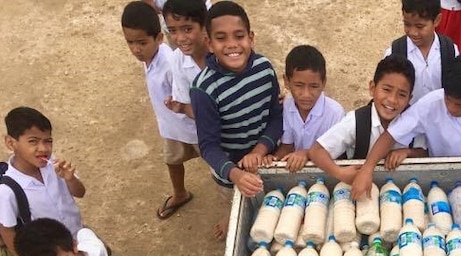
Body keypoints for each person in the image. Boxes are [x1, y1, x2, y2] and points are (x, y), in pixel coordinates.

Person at [350, 52, 461, 199]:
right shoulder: (430, 104)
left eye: (460, 105)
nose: (451, 108)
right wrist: (367, 169)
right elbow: (391, 135)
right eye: (448, 99)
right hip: (438, 188)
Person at [190, 0, 283, 237]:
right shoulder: (204, 89)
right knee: (237, 211)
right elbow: (208, 146)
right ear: (209, 43)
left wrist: (260, 150)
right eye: (221, 38)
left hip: (265, 159)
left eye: (239, 36)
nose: (232, 45)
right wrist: (236, 174)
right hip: (229, 172)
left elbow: (275, 116)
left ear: (251, 38)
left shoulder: (264, 69)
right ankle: (230, 219)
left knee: (272, 211)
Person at [122, 1, 202, 221]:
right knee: (172, 160)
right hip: (170, 127)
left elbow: (192, 93)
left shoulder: (171, 63)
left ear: (158, 38)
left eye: (141, 42)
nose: (136, 49)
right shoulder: (148, 58)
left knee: (218, 167)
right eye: (130, 43)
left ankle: (232, 204)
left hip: (194, 128)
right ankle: (180, 194)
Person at [0, 107, 85, 256]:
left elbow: (80, 193)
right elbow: (6, 229)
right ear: (11, 143)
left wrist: (70, 179)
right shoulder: (7, 191)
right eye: (33, 141)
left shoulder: (54, 165)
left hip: (79, 237)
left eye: (48, 141)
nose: (43, 148)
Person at [309, 56, 426, 182]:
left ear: (409, 98)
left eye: (402, 94)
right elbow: (317, 150)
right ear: (372, 88)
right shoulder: (357, 121)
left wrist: (408, 152)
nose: (392, 100)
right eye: (386, 90)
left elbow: (424, 153)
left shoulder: (414, 121)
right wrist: (340, 173)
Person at [272, 45, 345, 173]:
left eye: (314, 86)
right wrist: (273, 159)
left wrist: (308, 153)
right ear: (286, 82)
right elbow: (287, 146)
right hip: (295, 170)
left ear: (324, 83)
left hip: (325, 172)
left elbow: (337, 154)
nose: (306, 94)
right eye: (299, 85)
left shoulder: (335, 113)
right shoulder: (286, 105)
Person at [384, 0, 459, 103]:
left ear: (437, 20)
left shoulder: (450, 51)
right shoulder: (394, 53)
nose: (413, 32)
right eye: (407, 24)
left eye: (420, 26)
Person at [161, 0, 207, 122]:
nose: (180, 39)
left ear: (204, 26)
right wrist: (183, 108)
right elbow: (191, 108)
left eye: (187, 29)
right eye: (173, 31)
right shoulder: (177, 60)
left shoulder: (221, 52)